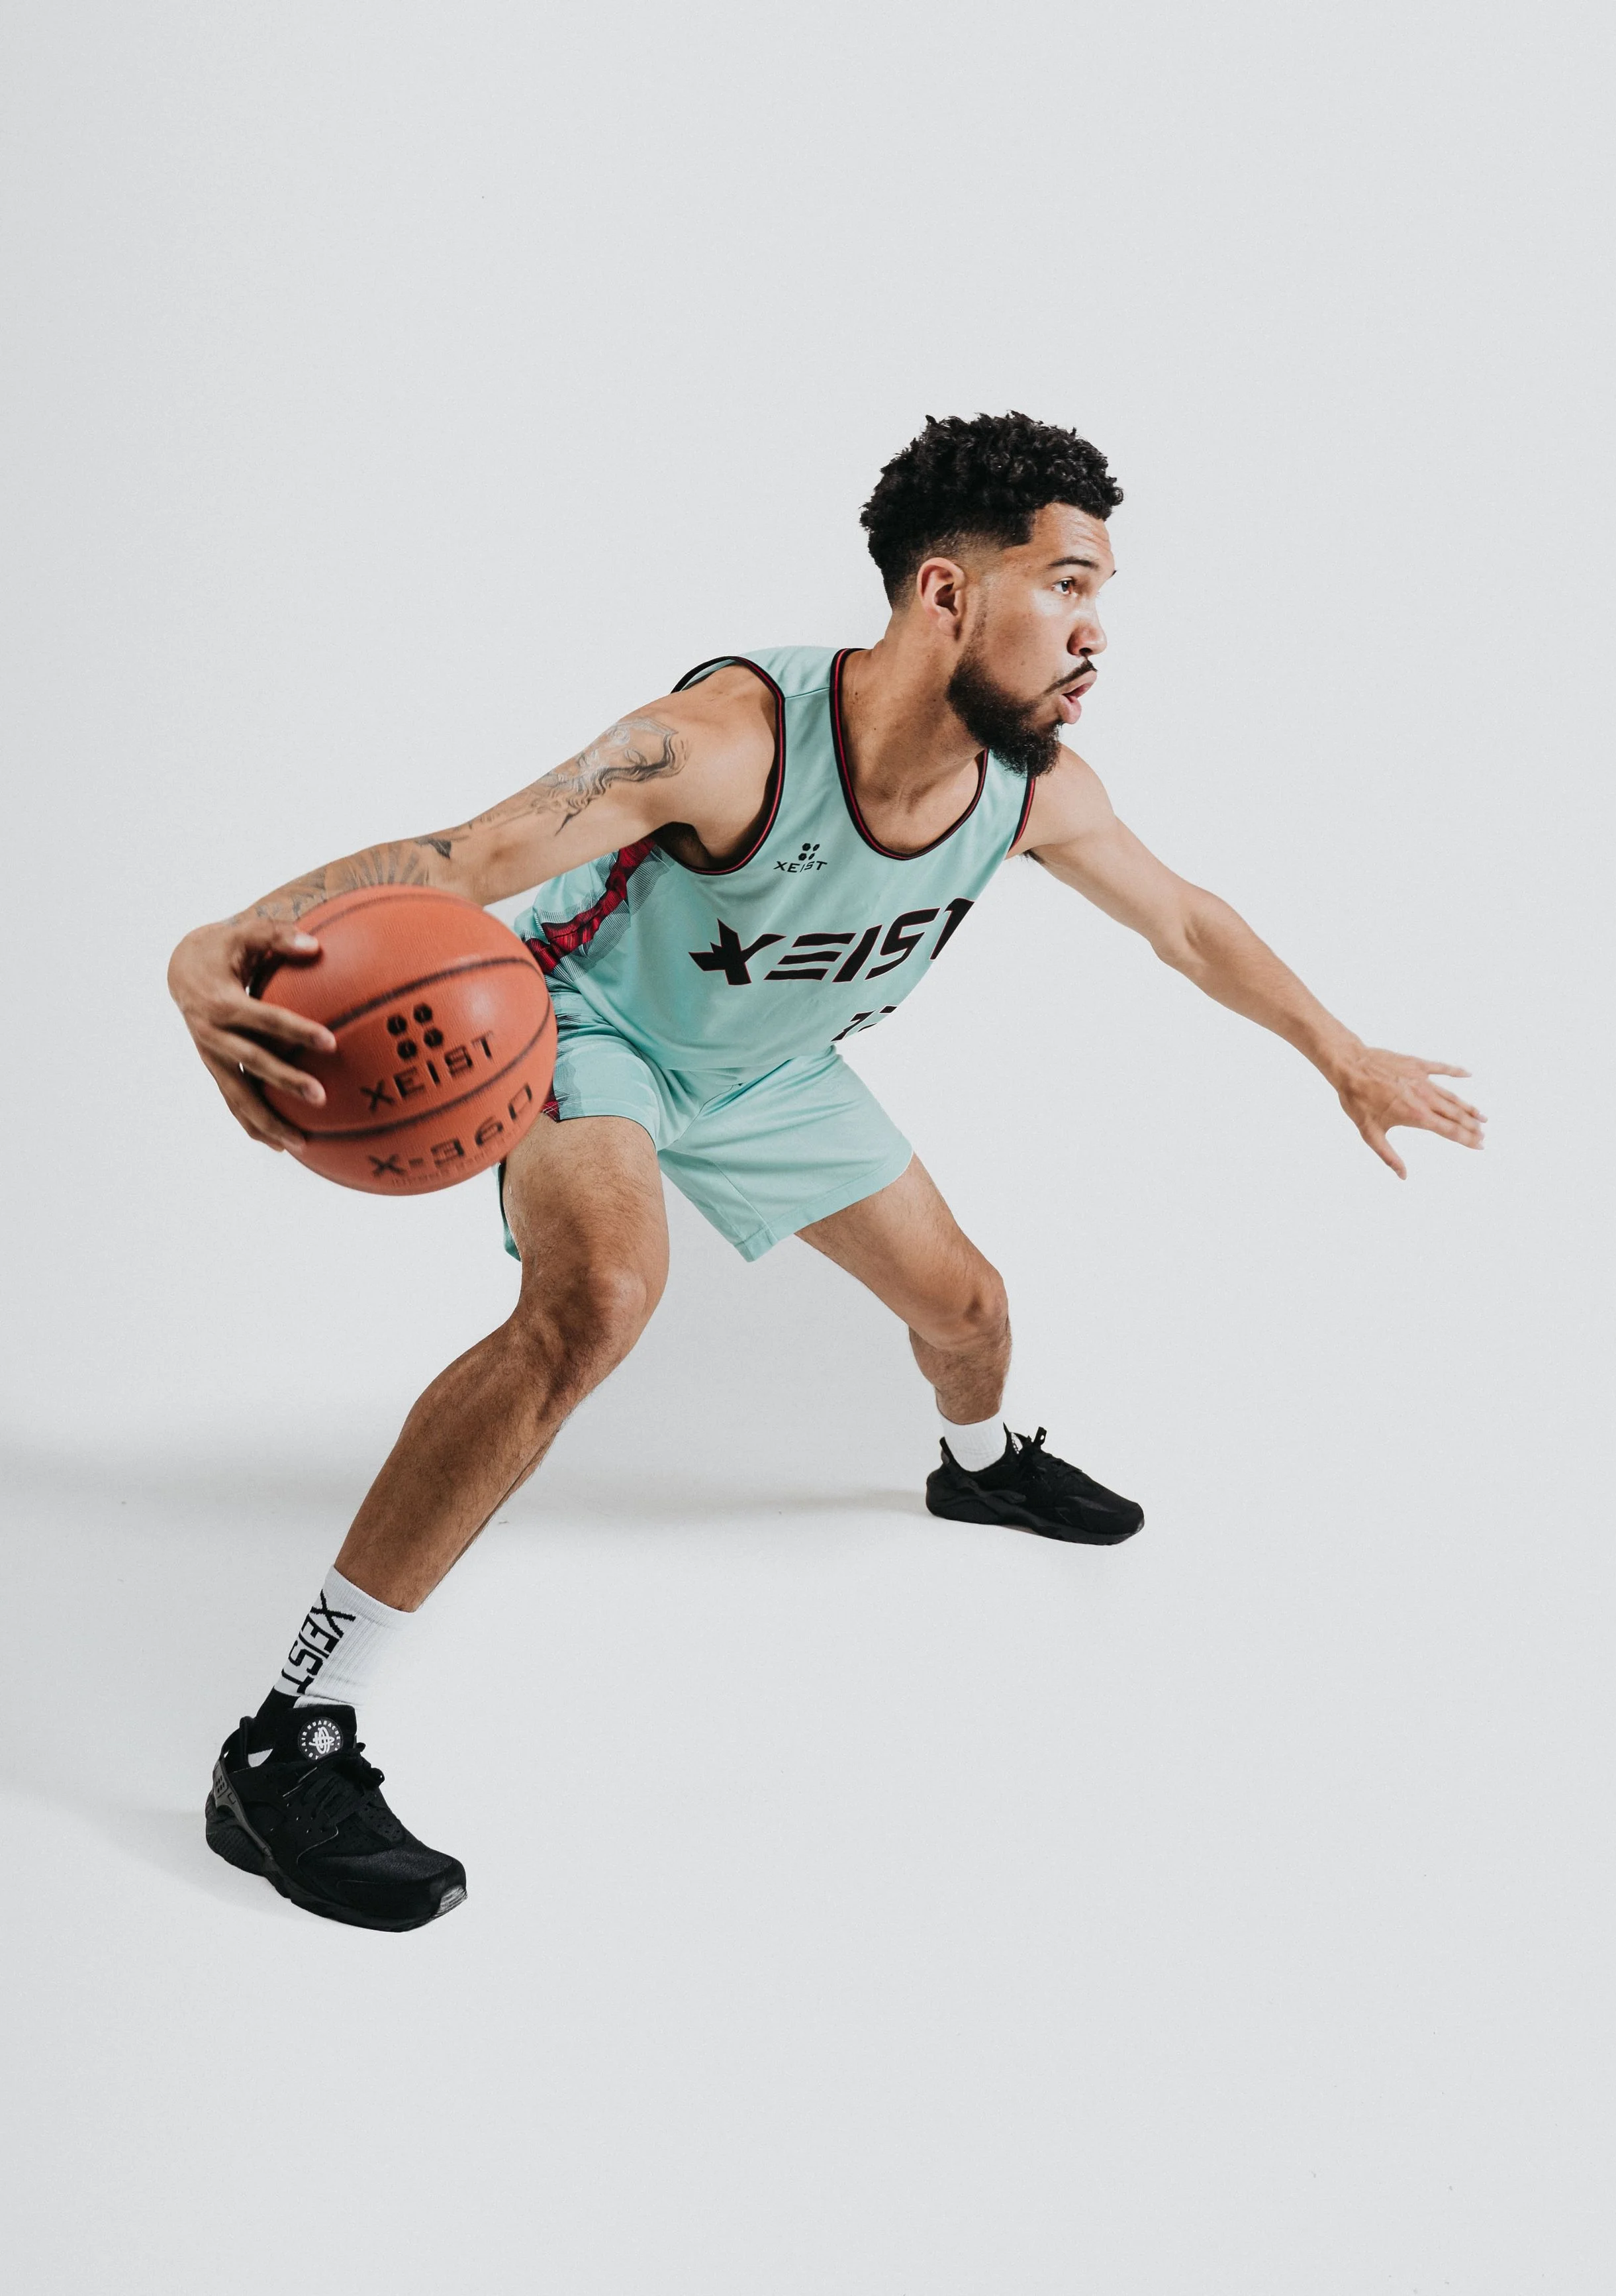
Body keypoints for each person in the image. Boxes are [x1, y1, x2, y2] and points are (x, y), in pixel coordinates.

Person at [167, 411, 1484, 1929]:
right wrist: (220, 938)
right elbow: (465, 859)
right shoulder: (728, 740)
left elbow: (1182, 920)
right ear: (943, 594)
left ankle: (978, 1470)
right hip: (594, 1031)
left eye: (1098, 595)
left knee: (972, 1315)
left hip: (771, 1073)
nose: (1093, 630)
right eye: (1064, 585)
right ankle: (286, 1743)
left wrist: (1338, 1051)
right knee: (598, 1297)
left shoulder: (1033, 785)